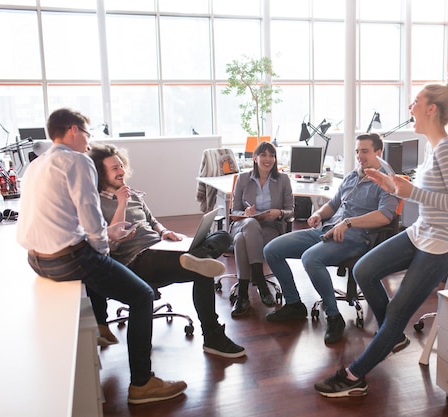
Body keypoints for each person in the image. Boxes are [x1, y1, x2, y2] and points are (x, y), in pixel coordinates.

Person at [17, 108, 187, 404]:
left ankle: (100, 324)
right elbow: (90, 213)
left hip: (36, 260)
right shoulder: (77, 159)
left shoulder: (36, 164)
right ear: (72, 130)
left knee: (95, 257)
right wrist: (107, 245)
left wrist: (103, 240)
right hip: (66, 258)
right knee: (141, 294)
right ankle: (142, 384)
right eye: (87, 133)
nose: (88, 140)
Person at [314, 77, 448, 397]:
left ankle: (355, 375)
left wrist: (411, 190)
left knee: (398, 311)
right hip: (423, 231)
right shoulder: (433, 146)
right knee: (364, 270)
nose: (409, 107)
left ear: (430, 109)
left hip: (444, 242)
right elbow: (430, 195)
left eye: (414, 102)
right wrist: (396, 188)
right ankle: (392, 334)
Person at [86, 143, 246, 358]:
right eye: (114, 168)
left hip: (161, 247)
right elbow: (110, 244)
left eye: (121, 166)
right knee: (203, 268)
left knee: (224, 236)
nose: (122, 171)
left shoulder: (132, 193)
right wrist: (121, 203)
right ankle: (213, 335)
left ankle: (197, 256)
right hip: (138, 259)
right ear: (100, 172)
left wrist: (164, 232)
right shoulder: (95, 203)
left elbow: (152, 221)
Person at [263, 133, 400, 344]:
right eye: (357, 152)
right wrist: (318, 214)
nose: (359, 156)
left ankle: (334, 317)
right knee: (272, 249)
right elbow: (334, 205)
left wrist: (349, 223)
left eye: (365, 151)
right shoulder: (352, 176)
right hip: (326, 230)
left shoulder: (386, 183)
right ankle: (294, 304)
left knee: (310, 258)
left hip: (355, 238)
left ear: (378, 153)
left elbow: (384, 216)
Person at [229, 141, 294, 317]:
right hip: (243, 224)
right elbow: (233, 211)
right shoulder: (243, 178)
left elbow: (290, 210)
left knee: (241, 241)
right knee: (249, 224)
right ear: (255, 158)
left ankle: (242, 294)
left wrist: (279, 212)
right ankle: (260, 281)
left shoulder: (283, 180)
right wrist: (245, 212)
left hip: (269, 227)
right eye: (263, 155)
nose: (268, 159)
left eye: (272, 155)